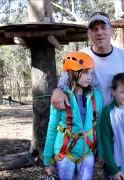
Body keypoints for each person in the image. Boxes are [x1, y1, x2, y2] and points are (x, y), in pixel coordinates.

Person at [51, 12, 124, 114]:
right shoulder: (78, 57)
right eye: (94, 29)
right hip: (89, 121)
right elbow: (62, 85)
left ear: (111, 30)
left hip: (119, 119)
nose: (99, 32)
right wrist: (57, 91)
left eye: (103, 27)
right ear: (89, 34)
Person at [43, 52, 103, 180]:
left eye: (91, 73)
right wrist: (48, 160)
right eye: (85, 72)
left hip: (87, 151)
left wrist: (101, 152)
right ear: (71, 73)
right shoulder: (60, 97)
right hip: (64, 152)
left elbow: (98, 126)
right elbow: (52, 128)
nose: (89, 77)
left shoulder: (96, 96)